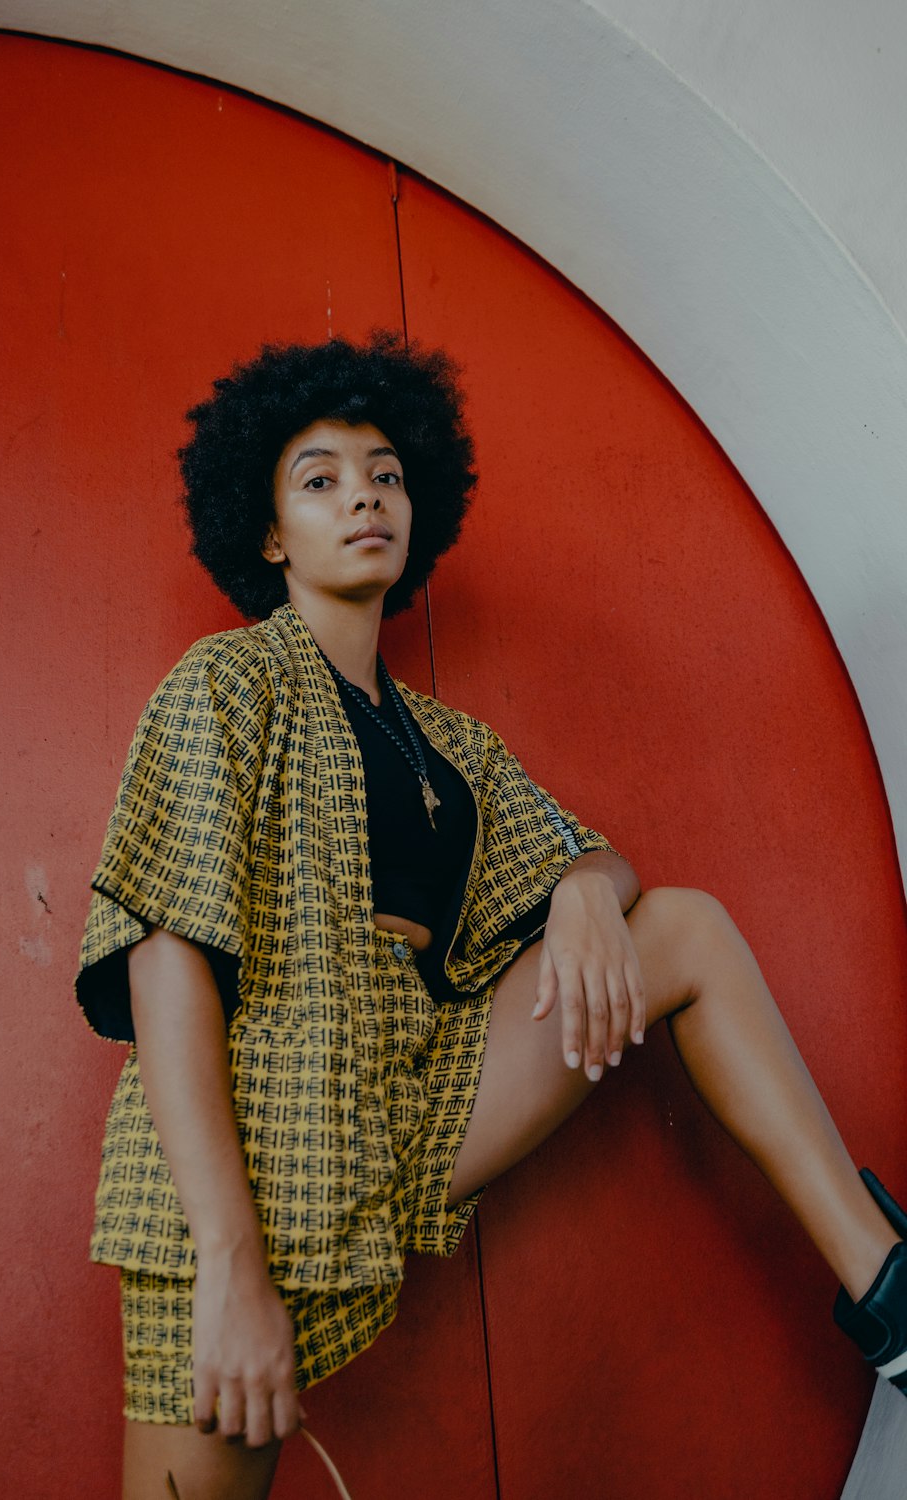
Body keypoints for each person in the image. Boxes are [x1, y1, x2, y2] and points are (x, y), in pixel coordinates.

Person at [76, 332, 907, 1500]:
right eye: (319, 479)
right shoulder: (226, 683)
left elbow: (599, 858)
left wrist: (577, 890)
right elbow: (166, 958)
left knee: (685, 927)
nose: (362, 493)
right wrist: (228, 1265)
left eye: (384, 472)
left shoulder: (447, 741)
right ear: (269, 535)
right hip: (252, 1148)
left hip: (406, 1101)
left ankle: (889, 1296)